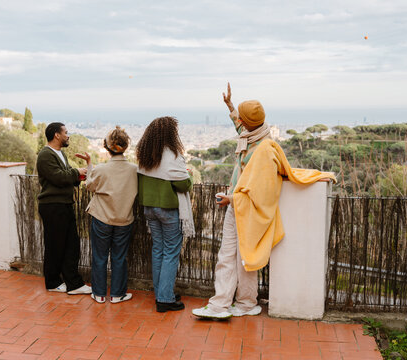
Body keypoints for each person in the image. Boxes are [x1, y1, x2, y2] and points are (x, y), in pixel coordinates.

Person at [192, 84, 272, 319]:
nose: (241, 125)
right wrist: (230, 106)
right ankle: (240, 303)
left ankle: (224, 305)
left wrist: (232, 197)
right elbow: (241, 127)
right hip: (237, 204)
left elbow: (260, 186)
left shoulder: (263, 148)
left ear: (249, 122)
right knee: (237, 256)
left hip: (243, 206)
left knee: (233, 256)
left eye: (243, 119)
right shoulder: (258, 134)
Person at [136, 116, 194, 313]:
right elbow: (184, 184)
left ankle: (162, 291)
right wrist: (189, 175)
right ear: (170, 134)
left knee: (158, 250)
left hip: (149, 208)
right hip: (168, 210)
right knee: (170, 252)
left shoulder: (145, 155)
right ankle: (164, 299)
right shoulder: (172, 156)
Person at [77, 126, 138, 304]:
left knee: (100, 256)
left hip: (102, 218)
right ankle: (118, 294)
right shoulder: (135, 170)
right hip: (124, 219)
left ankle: (99, 293)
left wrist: (89, 164)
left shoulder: (101, 169)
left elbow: (89, 185)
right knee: (119, 257)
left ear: (107, 147)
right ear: (125, 146)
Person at [36, 122, 91, 295]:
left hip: (63, 205)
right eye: (66, 132)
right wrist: (77, 172)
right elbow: (58, 177)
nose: (68, 135)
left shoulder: (60, 154)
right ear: (56, 135)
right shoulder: (45, 155)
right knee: (55, 246)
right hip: (53, 206)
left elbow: (65, 176)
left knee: (71, 245)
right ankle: (53, 282)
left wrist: (78, 177)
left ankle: (73, 284)